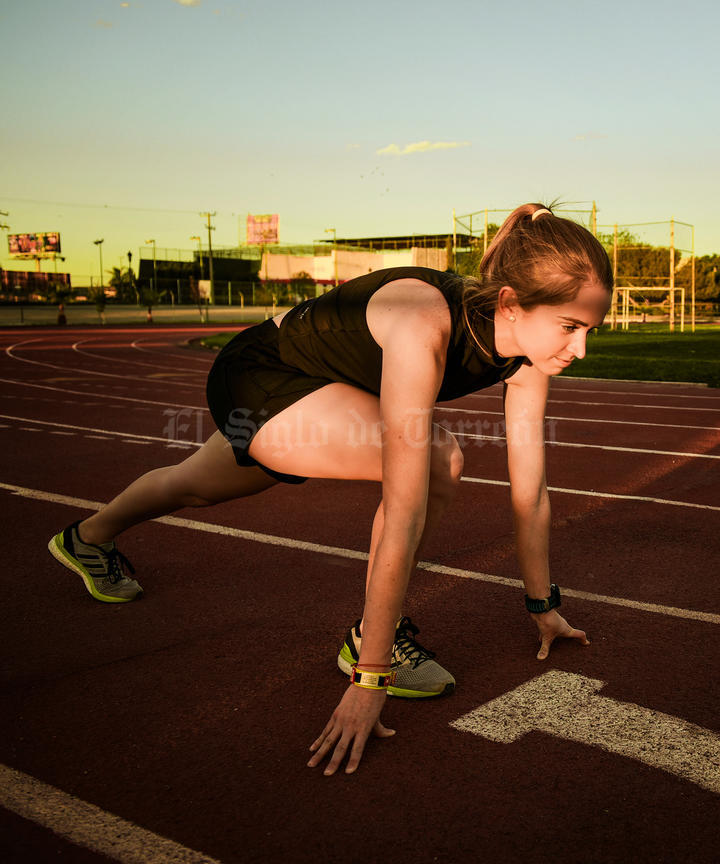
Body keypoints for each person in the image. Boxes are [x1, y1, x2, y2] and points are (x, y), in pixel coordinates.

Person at [48, 202, 613, 776]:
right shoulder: (424, 322)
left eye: (589, 329)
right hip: (262, 375)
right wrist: (371, 679)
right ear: (512, 303)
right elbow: (403, 505)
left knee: (194, 487)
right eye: (570, 326)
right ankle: (373, 640)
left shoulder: (529, 357)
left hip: (330, 386)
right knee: (439, 461)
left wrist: (543, 606)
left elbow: (531, 491)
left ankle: (87, 537)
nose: (580, 348)